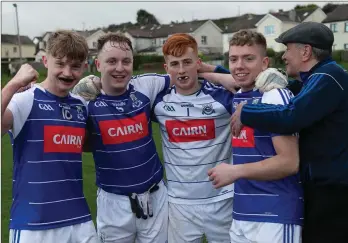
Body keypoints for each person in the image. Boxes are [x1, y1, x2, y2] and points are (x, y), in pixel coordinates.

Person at [71, 32, 236, 243]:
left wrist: (220, 75)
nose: (120, 68)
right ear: (98, 64)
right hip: (116, 201)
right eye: (111, 61)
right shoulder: (85, 100)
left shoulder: (146, 86)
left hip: (159, 197)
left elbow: (185, 73)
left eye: (126, 61)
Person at [230, 22, 348, 243]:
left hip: (337, 192)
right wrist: (211, 72)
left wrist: (247, 111)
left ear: (306, 51)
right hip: (326, 188)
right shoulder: (315, 79)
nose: (284, 55)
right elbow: (252, 83)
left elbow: (290, 116)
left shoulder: (327, 78)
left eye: (287, 48)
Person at [1, 30, 99, 243]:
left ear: (84, 67)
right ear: (45, 61)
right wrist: (13, 83)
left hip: (79, 221)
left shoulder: (81, 106)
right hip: (34, 225)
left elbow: (89, 145)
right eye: (60, 64)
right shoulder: (26, 99)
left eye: (74, 66)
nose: (67, 72)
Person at [207, 30, 303, 243]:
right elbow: (228, 77)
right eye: (234, 59)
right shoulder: (239, 95)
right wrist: (202, 70)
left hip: (275, 214)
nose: (239, 65)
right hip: (243, 214)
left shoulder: (273, 95)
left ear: (265, 63)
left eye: (249, 58)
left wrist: (234, 171)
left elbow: (289, 162)